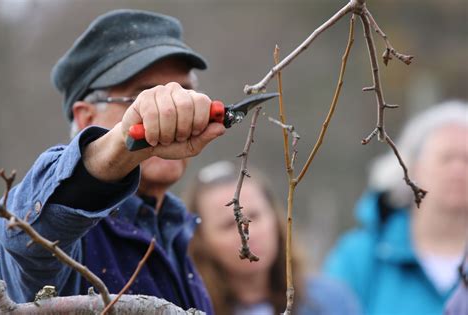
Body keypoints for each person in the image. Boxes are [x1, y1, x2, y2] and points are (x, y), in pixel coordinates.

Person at [0, 9, 226, 313]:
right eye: (143, 95)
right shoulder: (72, 234)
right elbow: (22, 237)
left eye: (185, 91)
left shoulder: (182, 229)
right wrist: (122, 146)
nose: (173, 108)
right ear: (86, 117)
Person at [323, 100, 468, 315]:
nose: (458, 170)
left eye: (467, 159)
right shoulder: (360, 257)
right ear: (414, 168)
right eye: (446, 159)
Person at [184, 161, 362, 315]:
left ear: (275, 218)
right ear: (202, 240)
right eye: (229, 225)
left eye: (255, 215)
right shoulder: (184, 307)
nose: (247, 233)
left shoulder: (330, 302)